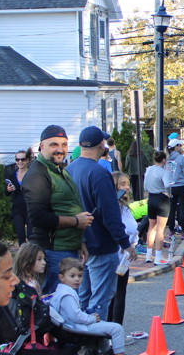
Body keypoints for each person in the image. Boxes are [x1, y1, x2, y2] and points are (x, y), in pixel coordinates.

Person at [66, 127, 135, 320]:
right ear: (101, 145)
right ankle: (97, 338)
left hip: (79, 245)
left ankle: (80, 336)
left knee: (82, 299)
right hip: (101, 245)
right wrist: (125, 243)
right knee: (99, 302)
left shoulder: (69, 170)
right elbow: (109, 213)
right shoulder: (99, 173)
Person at [24, 125, 94, 294]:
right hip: (52, 251)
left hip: (68, 248)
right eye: (54, 144)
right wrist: (76, 221)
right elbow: (38, 217)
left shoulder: (59, 170)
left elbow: (68, 206)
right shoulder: (37, 175)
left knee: (67, 300)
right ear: (42, 146)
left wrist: (80, 242)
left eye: (64, 144)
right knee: (55, 301)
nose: (60, 149)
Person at [50, 258, 141, 355]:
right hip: (77, 327)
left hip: (70, 327)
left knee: (103, 328)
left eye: (80, 276)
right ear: (61, 277)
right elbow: (75, 316)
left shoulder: (60, 290)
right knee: (117, 328)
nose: (77, 279)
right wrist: (92, 318)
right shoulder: (68, 295)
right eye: (72, 276)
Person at [110, 172, 138, 324]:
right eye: (122, 184)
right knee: (111, 296)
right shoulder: (113, 207)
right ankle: (108, 331)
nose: (127, 187)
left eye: (128, 184)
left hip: (125, 259)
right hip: (114, 257)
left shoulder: (125, 206)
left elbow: (133, 229)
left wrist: (132, 244)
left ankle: (117, 330)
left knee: (120, 294)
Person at [143, 150, 172, 265]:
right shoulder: (164, 172)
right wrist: (169, 193)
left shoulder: (149, 169)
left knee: (151, 227)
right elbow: (167, 185)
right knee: (160, 229)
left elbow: (145, 185)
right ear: (164, 160)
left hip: (151, 198)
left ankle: (148, 254)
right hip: (162, 199)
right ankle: (158, 256)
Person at [5, 148, 33, 244]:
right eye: (17, 160)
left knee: (31, 236)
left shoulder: (33, 175)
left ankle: (32, 253)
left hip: (30, 209)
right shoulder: (12, 176)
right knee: (20, 236)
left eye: (22, 159)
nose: (20, 162)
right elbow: (6, 193)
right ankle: (22, 253)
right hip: (17, 209)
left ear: (27, 160)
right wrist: (8, 190)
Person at [166, 139, 184, 241]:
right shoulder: (181, 158)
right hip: (181, 185)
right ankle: (183, 230)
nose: (181, 147)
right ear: (176, 147)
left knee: (171, 209)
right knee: (182, 208)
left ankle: (171, 230)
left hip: (171, 186)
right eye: (180, 145)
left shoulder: (167, 158)